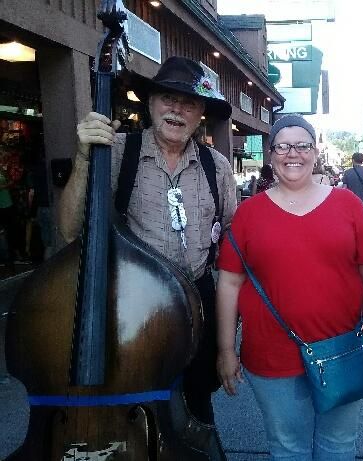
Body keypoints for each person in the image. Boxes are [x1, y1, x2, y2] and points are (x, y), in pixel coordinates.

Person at [57, 57, 237, 431]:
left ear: (200, 113)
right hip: (134, 303)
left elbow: (233, 241)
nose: (177, 110)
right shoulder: (114, 150)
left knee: (199, 401)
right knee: (137, 403)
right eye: (168, 98)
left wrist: (228, 340)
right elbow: (70, 230)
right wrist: (83, 157)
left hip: (200, 298)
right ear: (151, 102)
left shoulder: (217, 165)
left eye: (189, 103)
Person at [216, 114, 363, 460]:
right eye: (282, 146)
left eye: (302, 145)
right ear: (271, 155)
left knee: (338, 444)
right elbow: (229, 281)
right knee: (287, 447)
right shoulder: (249, 213)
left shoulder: (348, 205)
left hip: (342, 347)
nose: (292, 153)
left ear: (315, 153)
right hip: (270, 352)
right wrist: (225, 349)